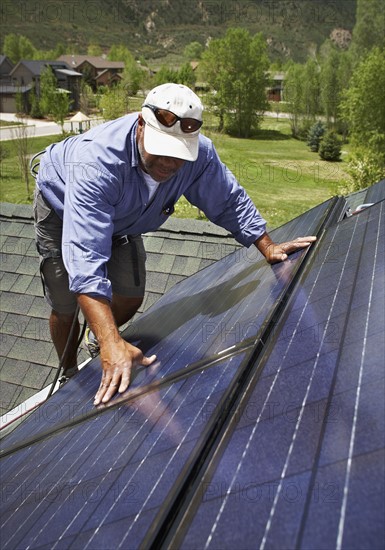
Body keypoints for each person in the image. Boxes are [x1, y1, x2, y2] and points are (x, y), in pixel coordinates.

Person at [34, 83, 316, 406]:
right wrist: (112, 341)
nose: (169, 163)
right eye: (161, 149)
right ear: (141, 125)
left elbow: (227, 200)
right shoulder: (96, 164)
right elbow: (85, 261)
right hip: (62, 205)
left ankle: (98, 334)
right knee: (66, 300)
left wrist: (267, 245)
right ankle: (72, 372)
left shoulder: (200, 156)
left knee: (129, 295)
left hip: (125, 215)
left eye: (179, 155)